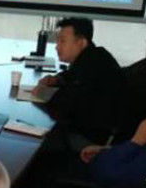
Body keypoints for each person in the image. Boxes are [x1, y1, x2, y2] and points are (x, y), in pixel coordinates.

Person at [36, 17, 126, 148]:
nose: (57, 46)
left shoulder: (90, 67)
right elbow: (71, 75)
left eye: (63, 41)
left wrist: (42, 93)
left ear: (81, 43)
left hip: (93, 139)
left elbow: (63, 107)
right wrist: (57, 79)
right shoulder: (96, 56)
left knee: (39, 139)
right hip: (100, 128)